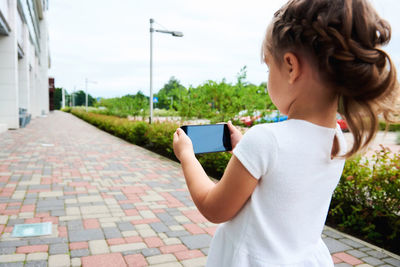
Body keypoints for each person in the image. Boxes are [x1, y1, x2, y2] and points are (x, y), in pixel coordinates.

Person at [173, 0, 399, 266]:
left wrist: (187, 157)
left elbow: (214, 208)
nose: (268, 76)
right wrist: (244, 149)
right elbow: (285, 176)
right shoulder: (337, 140)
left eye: (269, 67)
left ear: (291, 66)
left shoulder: (266, 139)